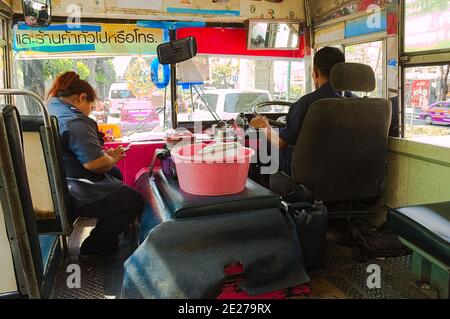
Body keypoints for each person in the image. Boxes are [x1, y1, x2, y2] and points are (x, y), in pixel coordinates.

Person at [47, 72, 144, 259]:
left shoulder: (52, 107)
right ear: (82, 98)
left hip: (61, 181)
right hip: (74, 188)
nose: (89, 111)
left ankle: (109, 229)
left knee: (114, 174)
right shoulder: (74, 120)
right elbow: (95, 164)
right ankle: (94, 248)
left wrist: (108, 159)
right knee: (133, 200)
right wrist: (111, 159)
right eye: (90, 107)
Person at [250, 46, 347, 175]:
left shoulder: (307, 103)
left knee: (265, 141)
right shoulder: (359, 104)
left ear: (315, 72)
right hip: (346, 169)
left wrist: (265, 126)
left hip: (309, 172)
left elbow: (279, 144)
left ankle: (266, 190)